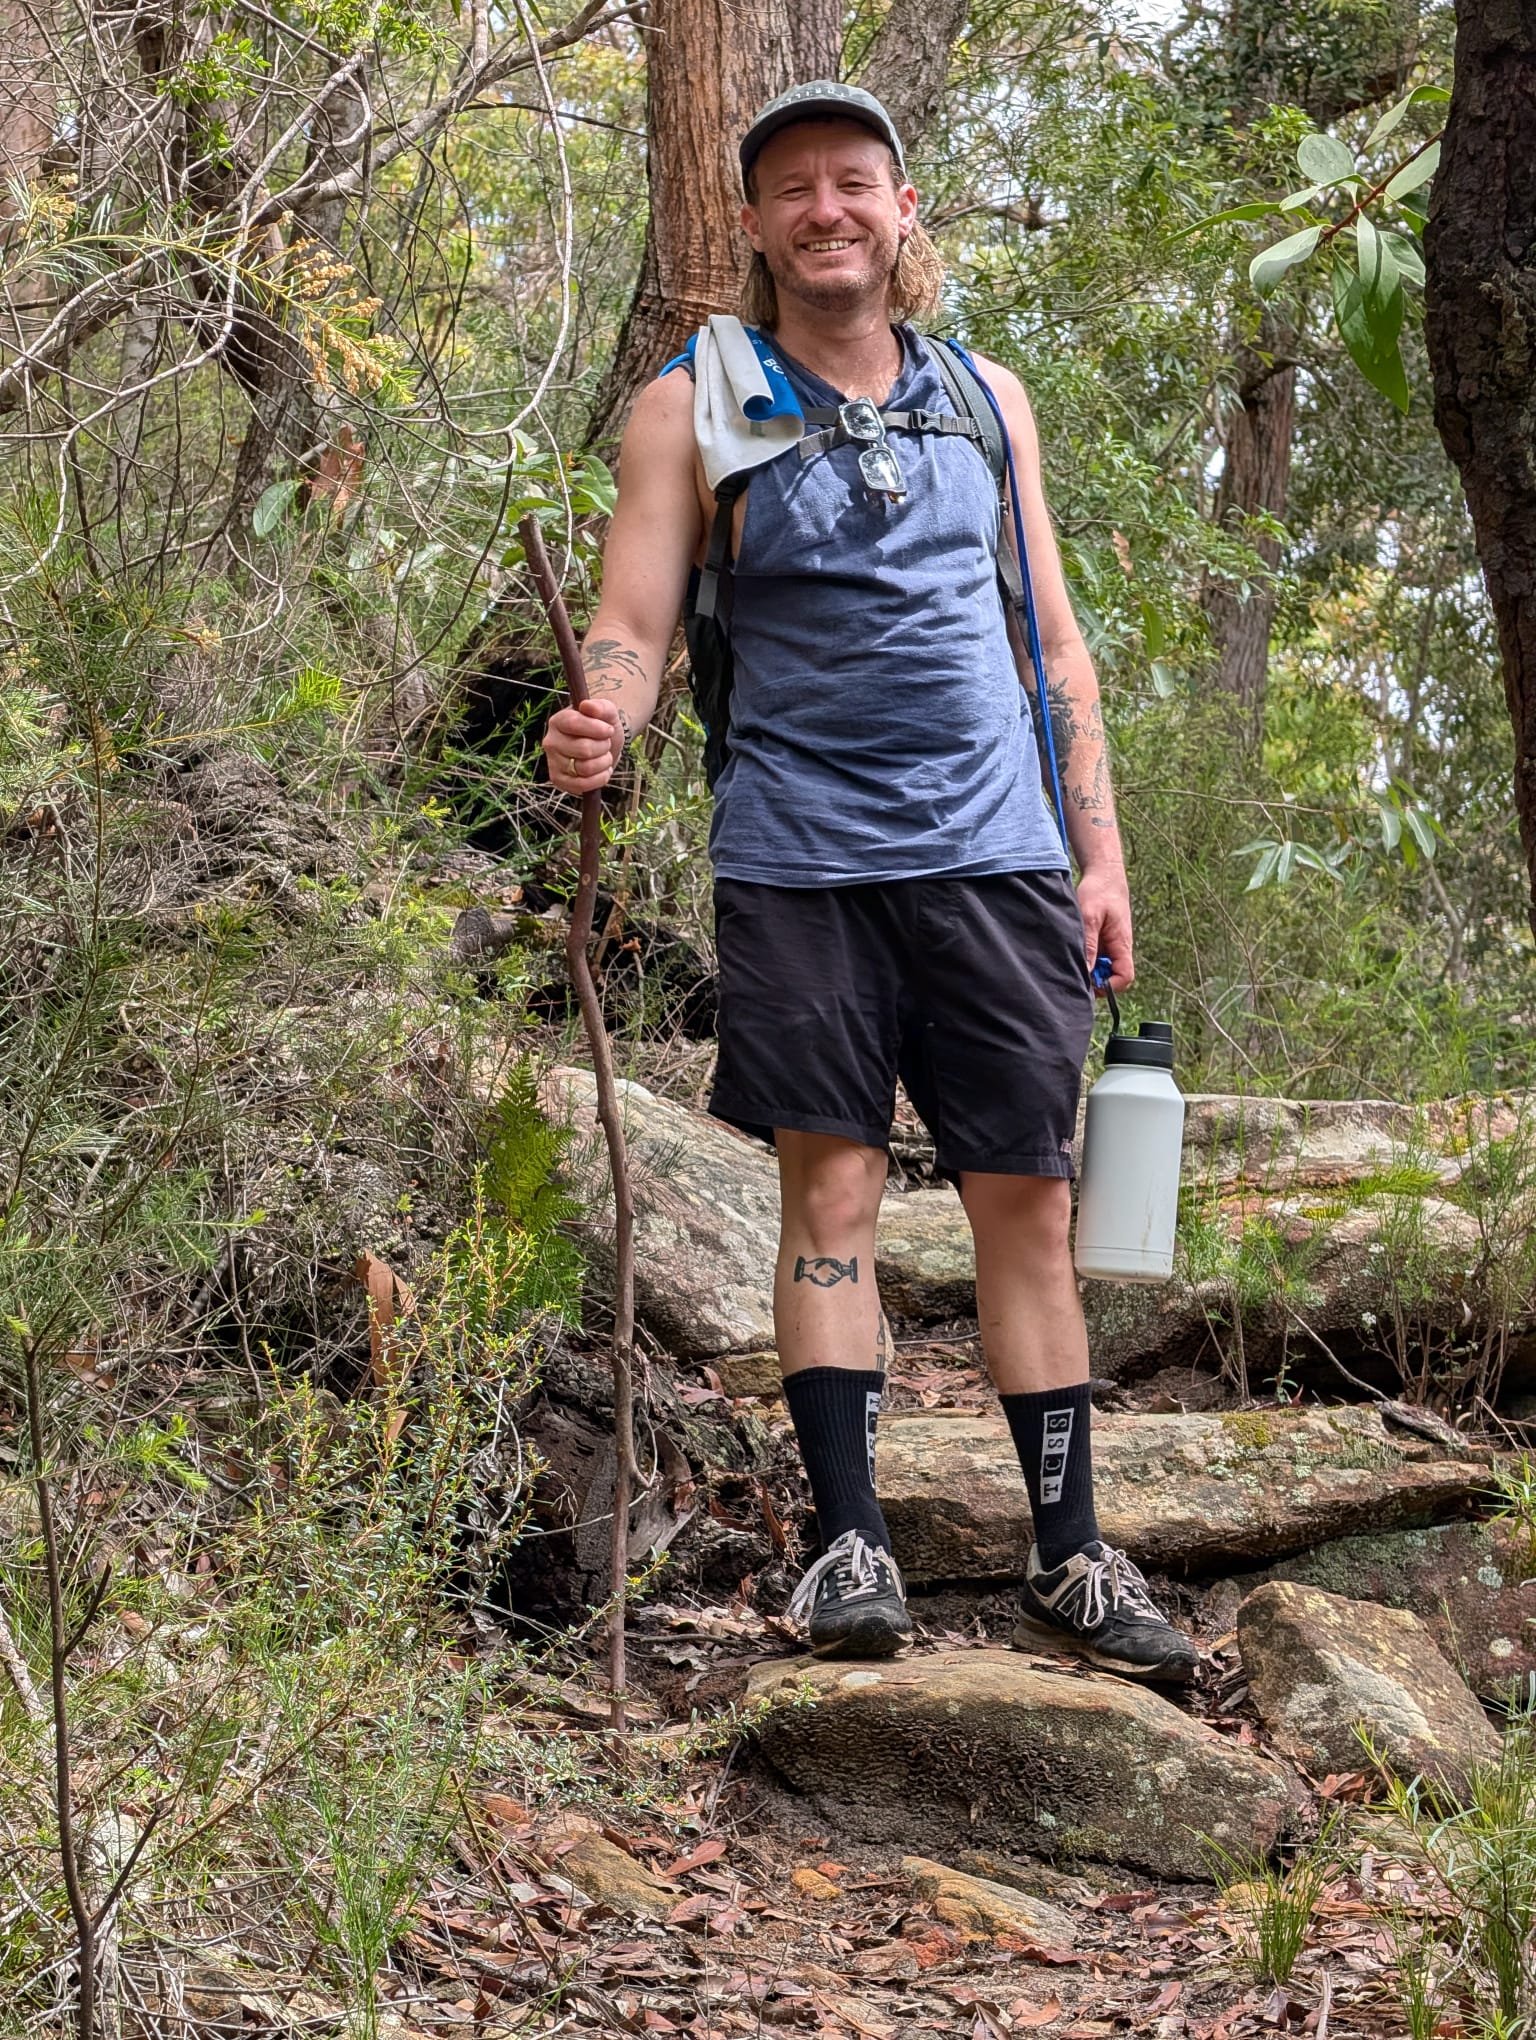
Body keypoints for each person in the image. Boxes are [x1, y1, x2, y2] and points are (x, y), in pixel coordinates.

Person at [542, 81, 1197, 1684]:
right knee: (827, 1197)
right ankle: (849, 1547)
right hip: (800, 860)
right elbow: (635, 611)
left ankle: (1070, 1556)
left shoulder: (987, 397)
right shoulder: (693, 400)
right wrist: (600, 717)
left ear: (905, 215)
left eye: (856, 184)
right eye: (794, 190)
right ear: (756, 224)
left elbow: (1051, 645)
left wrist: (1098, 851)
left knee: (1028, 1207)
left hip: (1001, 860)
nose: (827, 209)